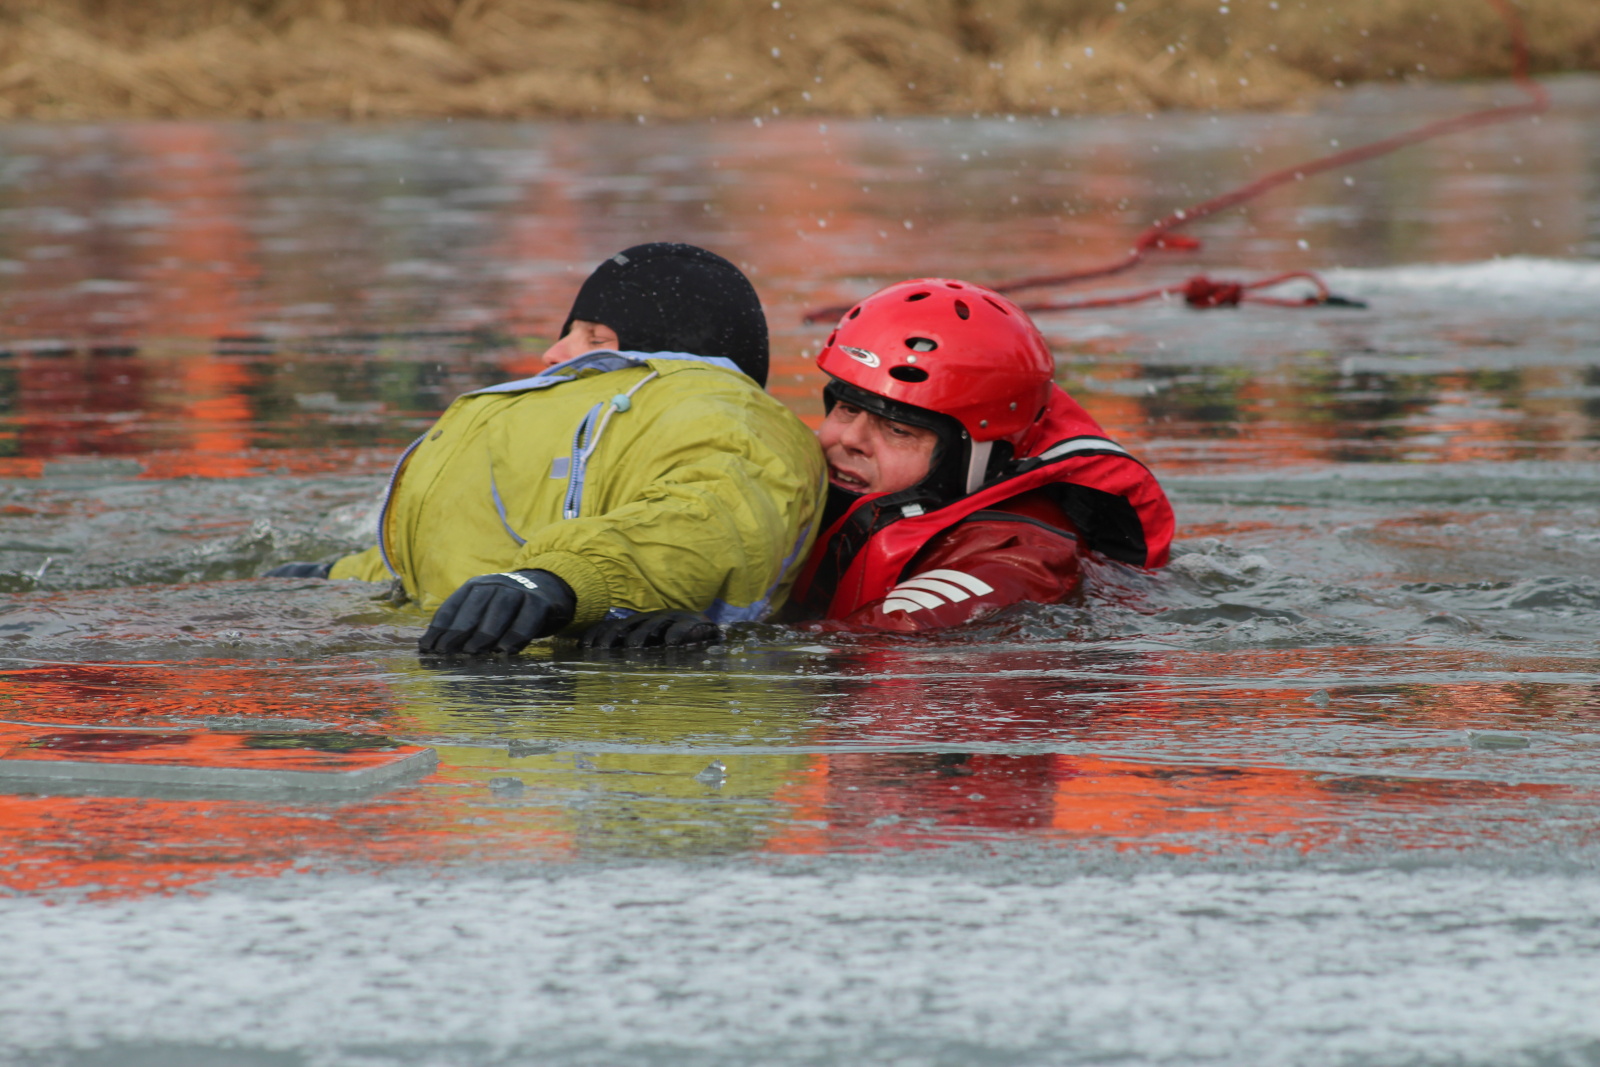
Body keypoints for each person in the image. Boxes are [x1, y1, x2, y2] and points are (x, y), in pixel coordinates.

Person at [270, 243, 826, 655]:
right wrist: (343, 574)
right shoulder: (597, 421)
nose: (553, 352)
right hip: (467, 733)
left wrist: (562, 580)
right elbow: (475, 550)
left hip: (617, 737)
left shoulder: (728, 416)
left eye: (594, 338)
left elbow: (710, 517)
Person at [583, 276, 1171, 644]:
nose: (848, 440)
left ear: (980, 456)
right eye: (843, 410)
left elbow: (882, 645)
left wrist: (723, 643)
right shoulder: (834, 488)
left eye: (898, 429)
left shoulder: (1013, 559)